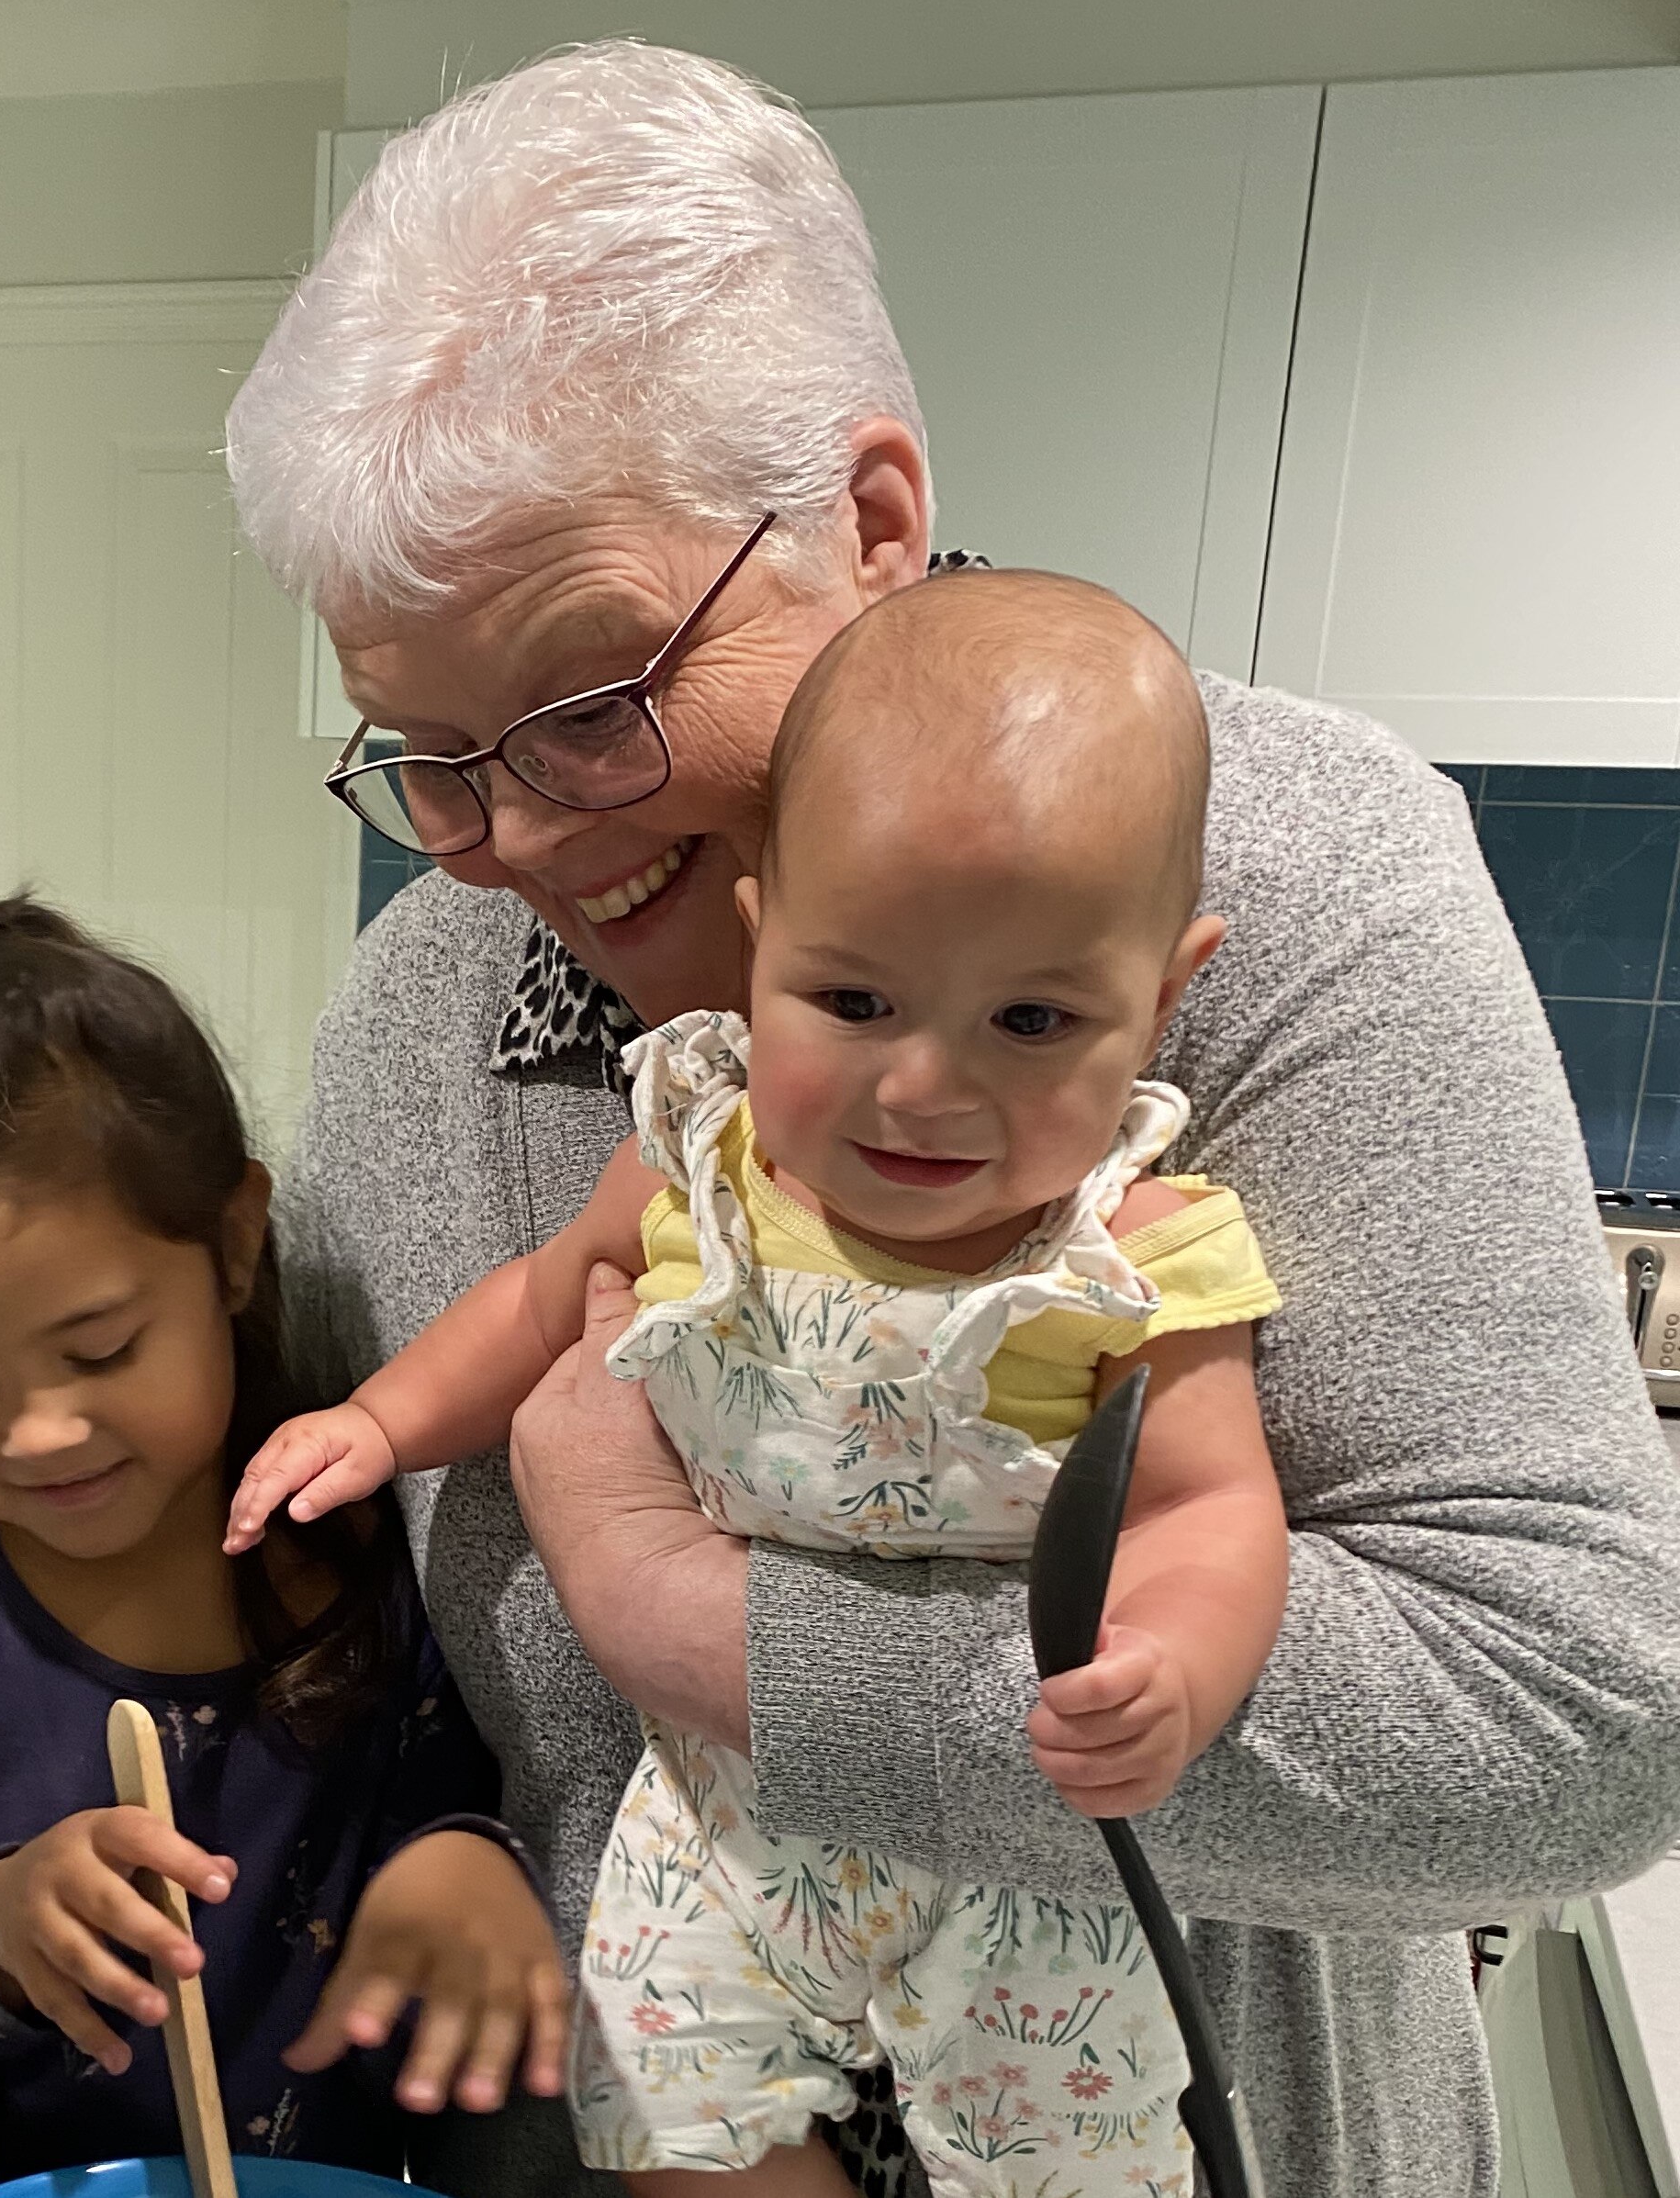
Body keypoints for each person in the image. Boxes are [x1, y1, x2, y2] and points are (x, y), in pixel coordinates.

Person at [224, 39, 1680, 2198]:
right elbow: (359, 1632)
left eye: (592, 698)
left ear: (873, 523)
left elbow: (1573, 1720)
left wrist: (686, 1614)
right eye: (427, 751)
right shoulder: (417, 1015)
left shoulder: (1292, 879)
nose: (510, 837)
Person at [233, 576, 1282, 2196]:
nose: (922, 1085)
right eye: (852, 1002)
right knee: (664, 2102)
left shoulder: (1137, 1255)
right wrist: (378, 1422)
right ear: (760, 938)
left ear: (1163, 995)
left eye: (1031, 1018)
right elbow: (531, 1309)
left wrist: (1177, 1666)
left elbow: (1209, 1505)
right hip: (722, 1808)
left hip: (1025, 1859)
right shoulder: (696, 1162)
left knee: (1066, 2156)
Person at [0, 898, 568, 2198]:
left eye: (101, 1349)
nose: (40, 1429)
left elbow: (444, 1817)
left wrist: (463, 1866)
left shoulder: (350, 1558)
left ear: (234, 1246)